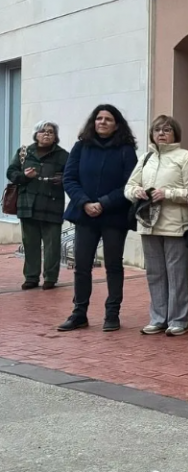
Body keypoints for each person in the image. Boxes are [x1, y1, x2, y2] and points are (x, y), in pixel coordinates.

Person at [58, 104, 139, 332]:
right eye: (99, 118)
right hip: (85, 215)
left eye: (108, 119)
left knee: (113, 265)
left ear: (116, 125)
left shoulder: (125, 150)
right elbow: (69, 178)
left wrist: (103, 203)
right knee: (82, 266)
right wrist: (84, 202)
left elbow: (129, 185)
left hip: (114, 216)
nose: (102, 122)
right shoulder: (81, 147)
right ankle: (79, 313)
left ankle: (112, 314)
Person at [125, 115, 188, 336]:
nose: (161, 133)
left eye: (167, 130)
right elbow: (129, 185)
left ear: (175, 133)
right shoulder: (146, 158)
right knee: (155, 274)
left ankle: (179, 319)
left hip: (176, 225)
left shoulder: (186, 157)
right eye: (157, 130)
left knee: (177, 274)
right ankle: (158, 318)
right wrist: (135, 192)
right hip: (148, 224)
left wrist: (167, 193)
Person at [7, 121, 68, 291]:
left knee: (52, 245)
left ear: (55, 136)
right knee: (30, 244)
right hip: (28, 204)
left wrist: (61, 179)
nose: (46, 134)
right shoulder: (24, 153)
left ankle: (50, 277)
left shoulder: (63, 155)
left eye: (50, 132)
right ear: (36, 134)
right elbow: (11, 173)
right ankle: (31, 277)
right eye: (43, 131)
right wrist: (24, 176)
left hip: (52, 204)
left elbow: (72, 176)